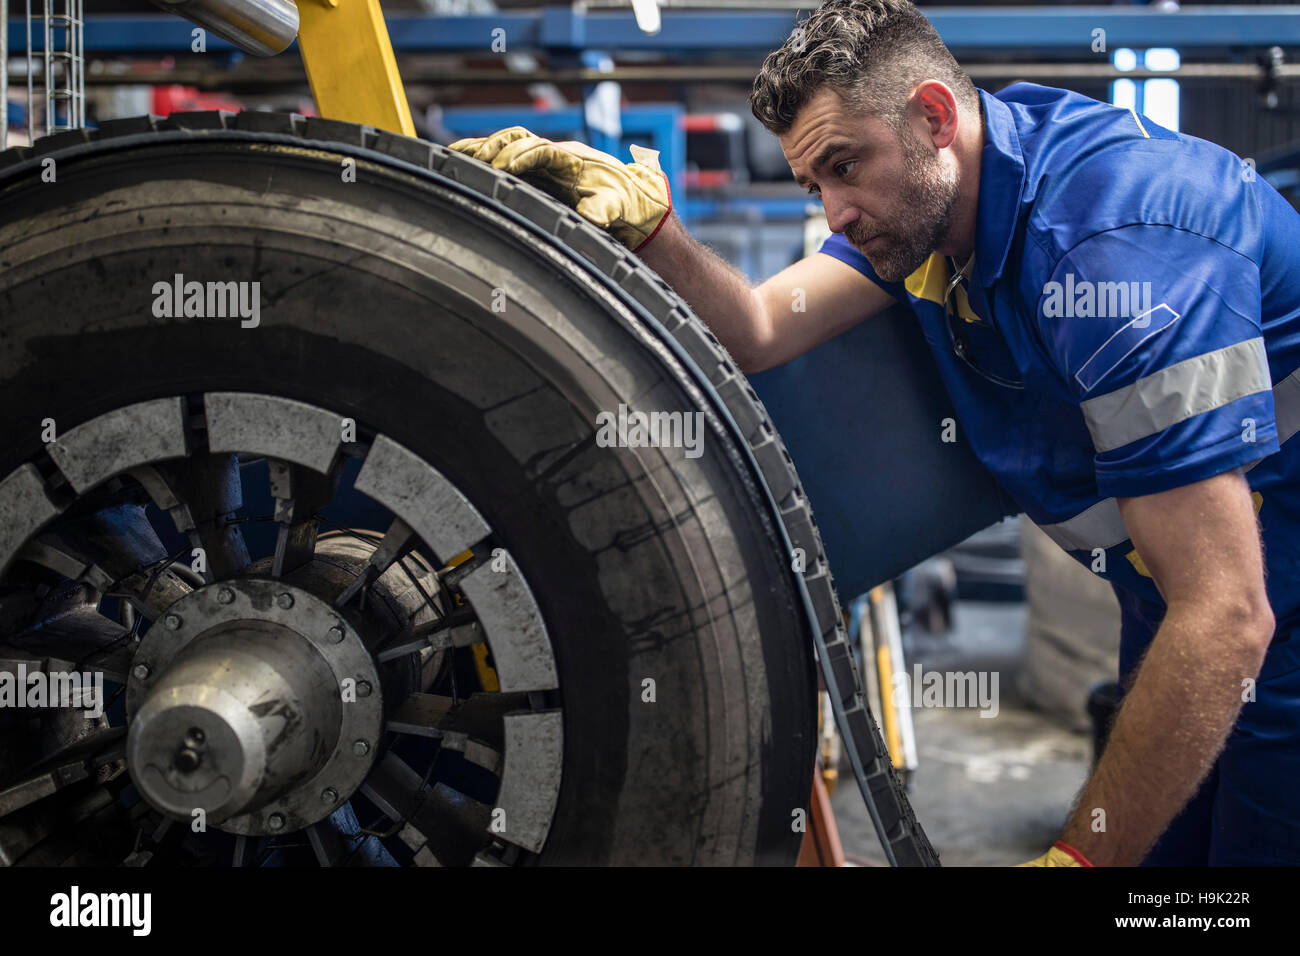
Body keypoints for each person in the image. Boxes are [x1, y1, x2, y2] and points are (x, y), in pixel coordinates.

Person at [451, 0, 1300, 866]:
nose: (835, 213)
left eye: (845, 167)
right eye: (816, 183)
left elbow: (1229, 613)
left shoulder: (1116, 247)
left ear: (934, 115)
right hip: (1167, 594)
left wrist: (1068, 863)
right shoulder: (938, 213)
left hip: (1263, 597)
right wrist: (651, 226)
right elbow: (756, 326)